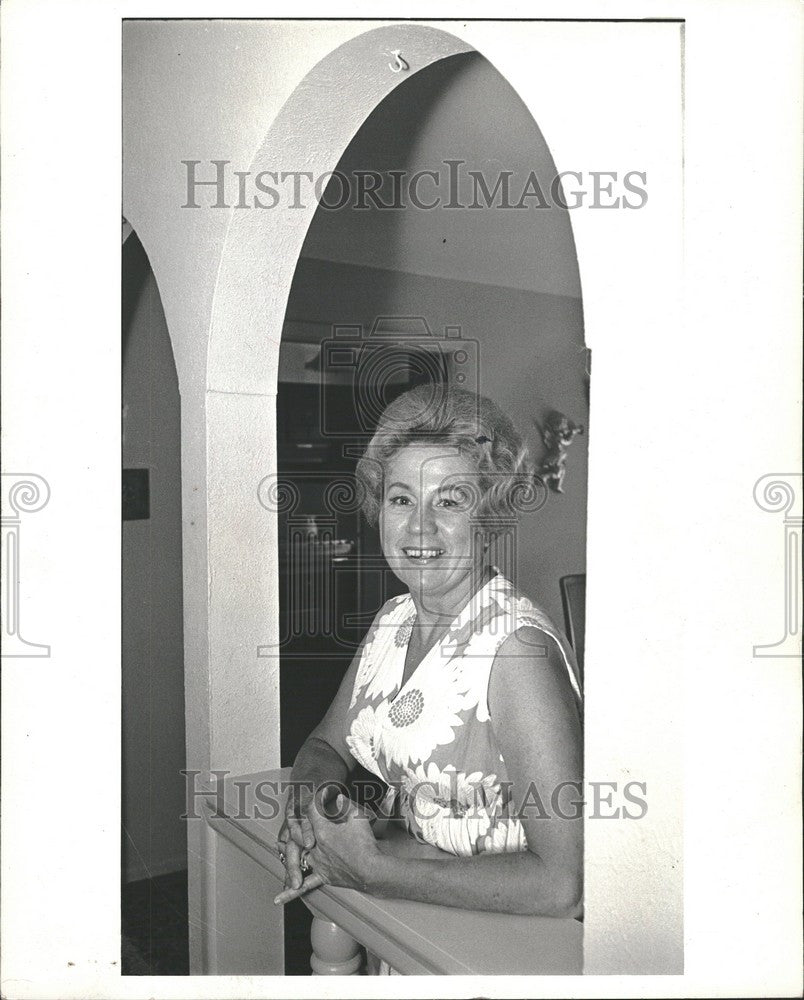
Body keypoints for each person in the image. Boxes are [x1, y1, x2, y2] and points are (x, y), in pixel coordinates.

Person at [277, 384, 583, 922]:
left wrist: (375, 872)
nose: (419, 526)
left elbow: (564, 884)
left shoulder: (517, 653)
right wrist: (313, 811)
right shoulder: (392, 621)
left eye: (449, 500)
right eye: (402, 499)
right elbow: (327, 743)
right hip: (419, 920)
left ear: (488, 516)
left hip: (506, 947)